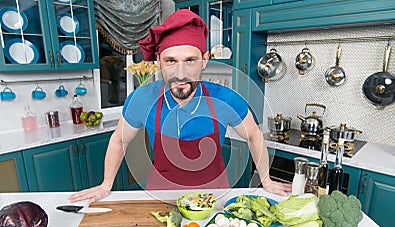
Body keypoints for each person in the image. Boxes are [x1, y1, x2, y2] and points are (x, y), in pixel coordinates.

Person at [69, 9, 291, 203]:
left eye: (190, 60)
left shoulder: (225, 99)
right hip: (161, 197)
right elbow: (119, 140)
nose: (180, 73)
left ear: (204, 60)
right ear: (158, 61)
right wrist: (106, 184)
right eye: (171, 61)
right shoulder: (142, 99)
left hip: (215, 198)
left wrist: (266, 181)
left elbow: (254, 136)